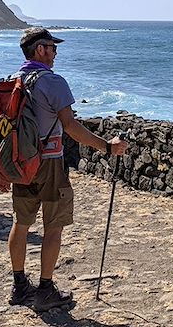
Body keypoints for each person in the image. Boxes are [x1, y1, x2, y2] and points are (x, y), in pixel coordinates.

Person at [8, 27, 128, 312]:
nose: (55, 53)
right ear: (40, 50)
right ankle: (46, 289)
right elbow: (71, 127)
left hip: (21, 162)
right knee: (54, 227)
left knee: (21, 223)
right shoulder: (53, 82)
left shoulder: (16, 80)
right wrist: (108, 147)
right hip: (50, 164)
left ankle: (19, 285)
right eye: (52, 47)